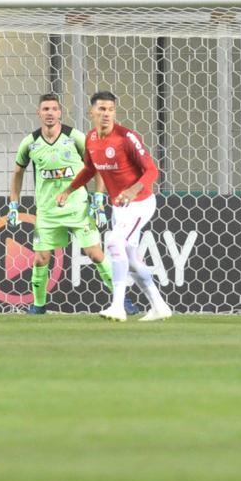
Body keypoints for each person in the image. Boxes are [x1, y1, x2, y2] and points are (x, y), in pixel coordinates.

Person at [8, 93, 131, 315]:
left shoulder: (75, 137)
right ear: (39, 113)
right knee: (40, 259)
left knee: (95, 254)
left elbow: (98, 167)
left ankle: (123, 301)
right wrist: (13, 205)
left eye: (54, 109)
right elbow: (18, 173)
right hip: (47, 212)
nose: (50, 113)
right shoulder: (30, 142)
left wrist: (99, 200)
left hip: (78, 208)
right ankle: (38, 306)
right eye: (46, 109)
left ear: (60, 113)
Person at [56, 91, 172, 322]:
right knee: (131, 260)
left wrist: (132, 190)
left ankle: (117, 306)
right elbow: (90, 170)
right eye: (101, 109)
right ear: (92, 113)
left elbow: (152, 171)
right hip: (120, 206)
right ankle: (159, 306)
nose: (106, 114)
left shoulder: (126, 137)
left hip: (140, 202)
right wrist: (68, 190)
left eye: (110, 109)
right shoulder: (90, 139)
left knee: (113, 241)